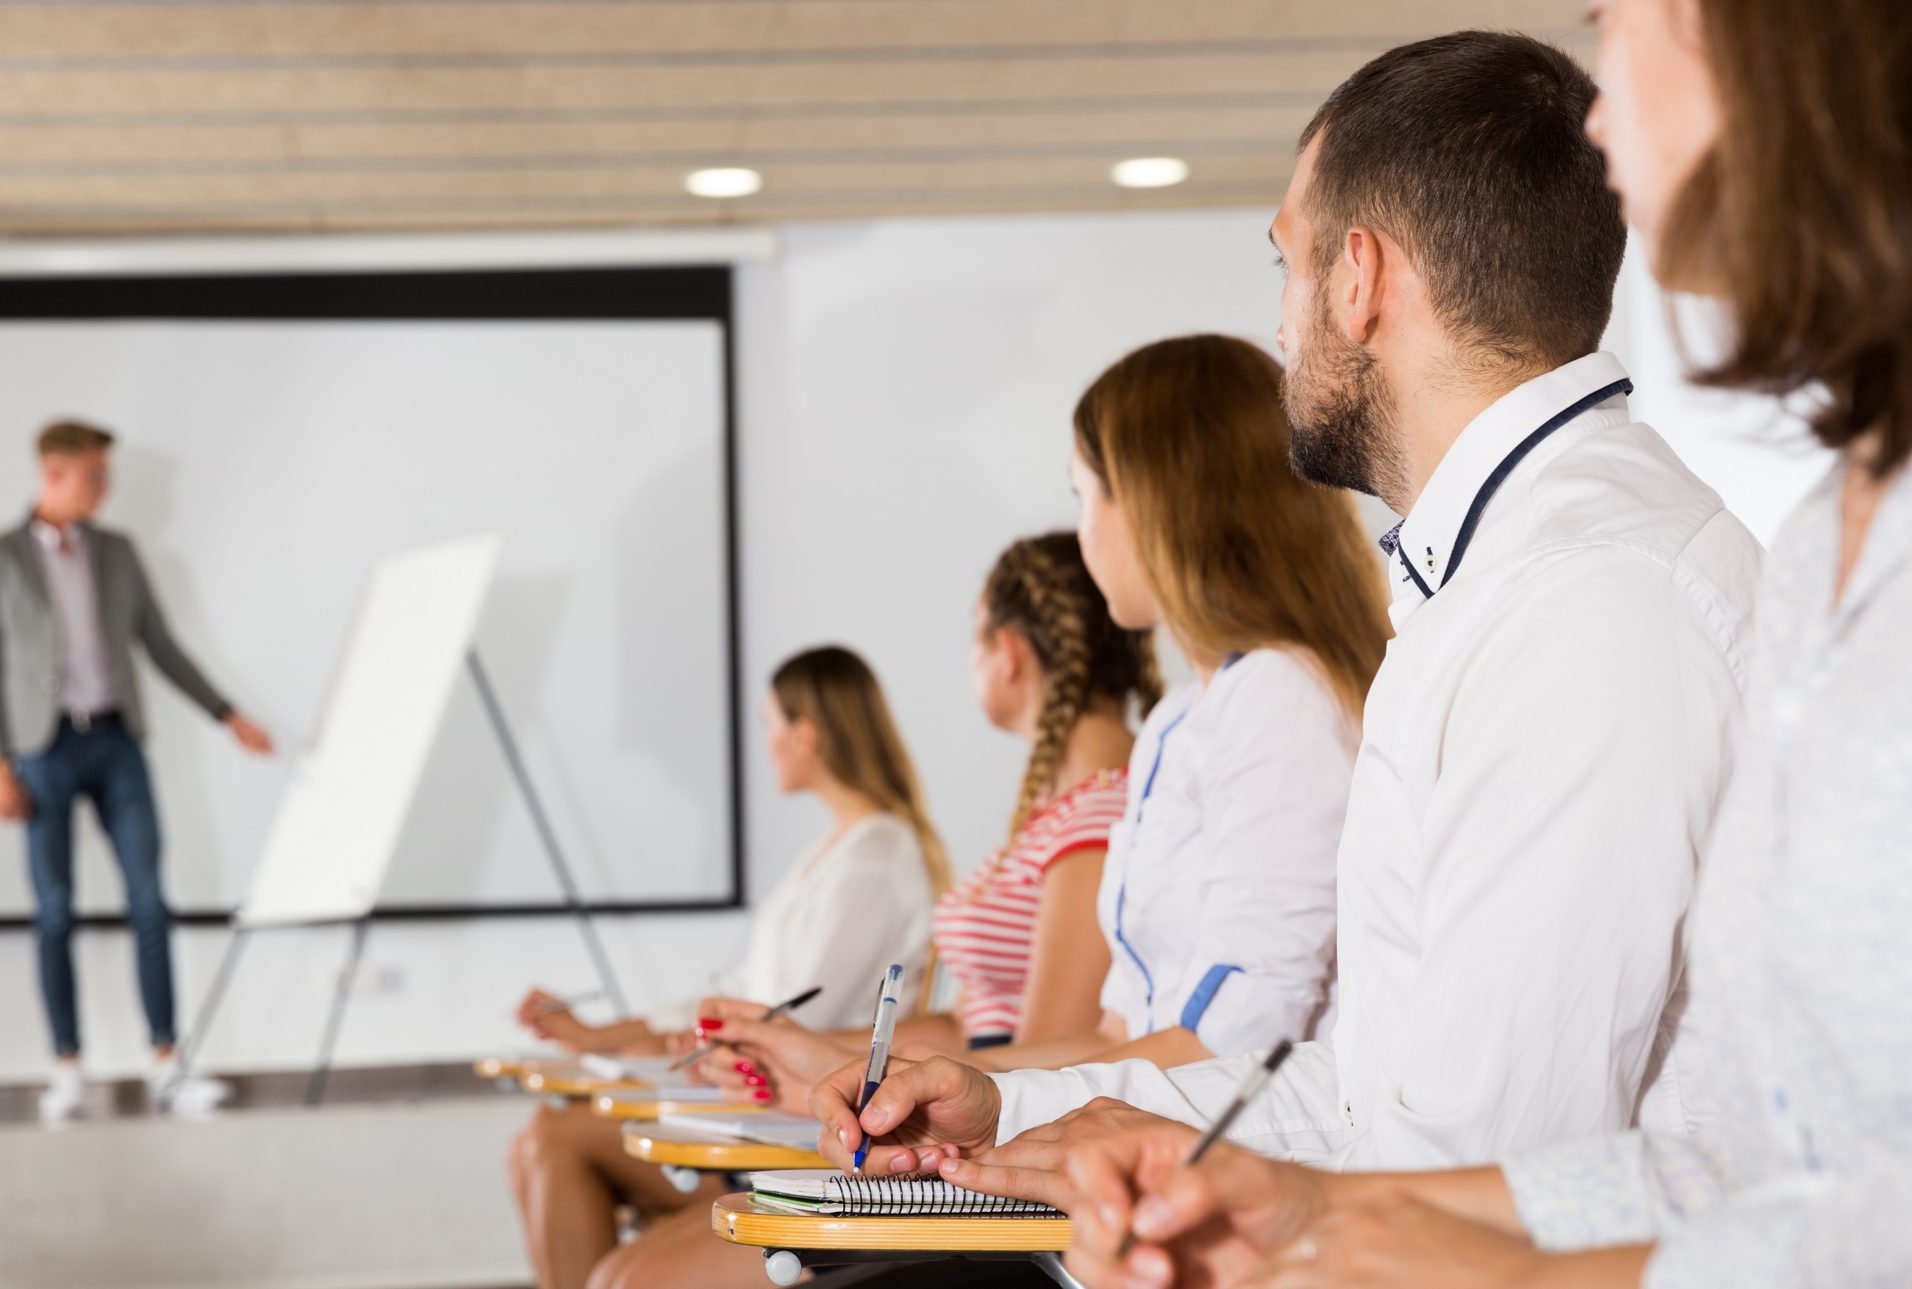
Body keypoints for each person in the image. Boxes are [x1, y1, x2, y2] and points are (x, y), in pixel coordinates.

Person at [812, 29, 1764, 1190]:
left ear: (1357, 277)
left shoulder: (1586, 611)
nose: (1278, 327)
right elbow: (1367, 1090)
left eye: (1285, 263)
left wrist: (1158, 1183)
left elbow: (1482, 1168)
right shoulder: (1496, 580)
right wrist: (1019, 1108)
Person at [1056, 0, 1912, 1284]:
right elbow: (1743, 1161)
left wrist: (1354, 1229)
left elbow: (1525, 1142)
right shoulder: (1775, 553)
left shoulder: (1594, 597)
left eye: (1620, 25)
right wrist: (1289, 1206)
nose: (1603, 112)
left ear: (1357, 277)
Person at [574, 532, 1151, 1289]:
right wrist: (808, 1050)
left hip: (987, 1157)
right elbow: (969, 1028)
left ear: (1008, 652)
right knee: (625, 1269)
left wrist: (849, 1065)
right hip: (965, 1128)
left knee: (631, 1279)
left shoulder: (1096, 818)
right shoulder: (1058, 812)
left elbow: (1047, 1050)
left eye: (972, 637)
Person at [504, 644, 945, 1289]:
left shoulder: (876, 858)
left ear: (807, 735)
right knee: (540, 1137)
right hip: (757, 1107)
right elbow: (738, 997)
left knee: (556, 1142)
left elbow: (787, 1023)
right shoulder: (834, 851)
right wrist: (608, 1032)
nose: (763, 743)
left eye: (770, 726)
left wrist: (669, 1036)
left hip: (795, 1127)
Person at [0, 419, 274, 1125]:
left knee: (150, 902)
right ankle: (67, 1067)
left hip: (116, 743)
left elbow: (159, 643)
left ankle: (167, 1062)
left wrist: (225, 712)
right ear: (53, 474)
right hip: (41, 751)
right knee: (54, 911)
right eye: (94, 475)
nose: (104, 488)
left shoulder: (118, 552)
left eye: (106, 475)